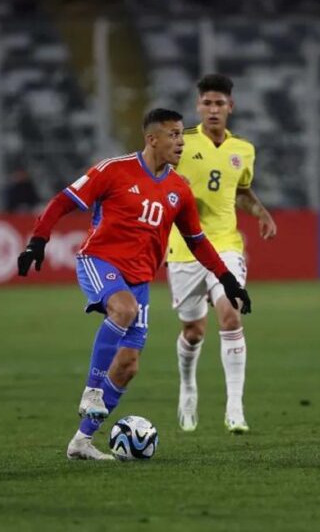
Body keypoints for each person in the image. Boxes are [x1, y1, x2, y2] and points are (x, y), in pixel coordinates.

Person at [17, 108, 252, 460]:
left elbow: (197, 240)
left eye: (181, 134)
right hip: (101, 261)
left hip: (140, 279)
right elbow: (64, 200)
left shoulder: (179, 189)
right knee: (123, 309)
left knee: (128, 366)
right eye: (173, 135)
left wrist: (227, 280)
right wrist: (38, 239)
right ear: (151, 139)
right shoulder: (113, 170)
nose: (180, 141)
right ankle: (91, 391)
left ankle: (82, 441)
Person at [167, 74, 277, 434]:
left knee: (230, 315)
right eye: (207, 103)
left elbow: (241, 190)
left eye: (220, 103)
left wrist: (260, 212)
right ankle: (187, 387)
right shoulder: (180, 144)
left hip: (226, 244)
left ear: (231, 107)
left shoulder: (243, 150)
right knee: (194, 330)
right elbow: (158, 187)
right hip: (184, 248)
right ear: (198, 106)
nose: (213, 109)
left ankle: (235, 408)